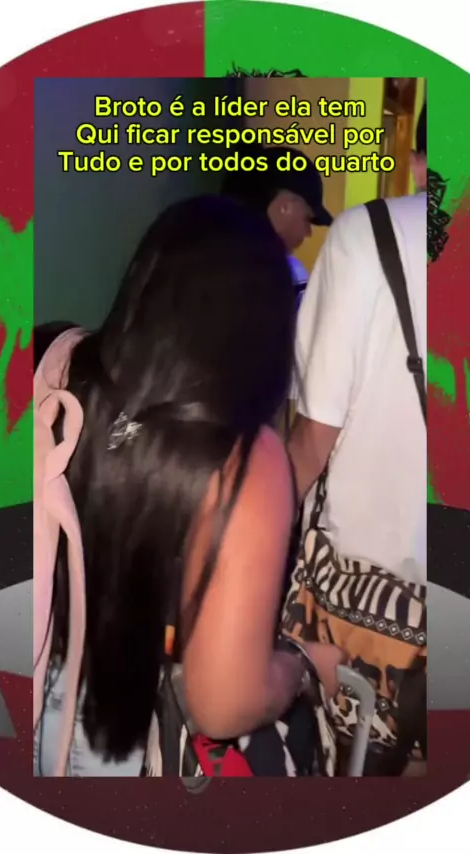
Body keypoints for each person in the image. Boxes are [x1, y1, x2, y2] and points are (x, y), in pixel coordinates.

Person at [33, 195, 343, 777]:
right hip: (112, 752)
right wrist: (300, 664)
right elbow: (222, 705)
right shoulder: (244, 464)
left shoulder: (48, 363)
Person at [288, 104, 427, 586]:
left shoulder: (367, 233)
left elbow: (316, 431)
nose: (309, 229)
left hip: (362, 578)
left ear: (418, 164)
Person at [221, 143, 333, 303]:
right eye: (307, 219)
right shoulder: (288, 273)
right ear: (284, 207)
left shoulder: (204, 256)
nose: (308, 232)